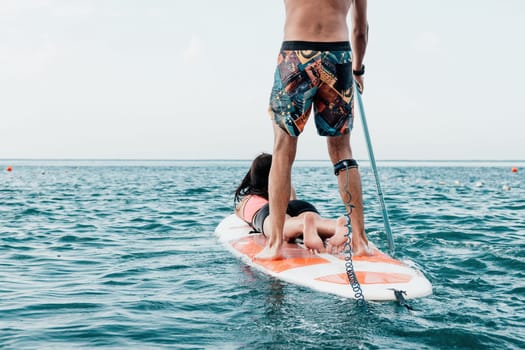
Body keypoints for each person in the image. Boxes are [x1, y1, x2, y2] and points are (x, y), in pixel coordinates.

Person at [255, 0, 372, 260]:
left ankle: (274, 244)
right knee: (342, 150)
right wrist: (358, 70)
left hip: (295, 56)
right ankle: (360, 241)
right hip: (338, 56)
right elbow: (360, 30)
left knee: (283, 150)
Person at [234, 153, 348, 254]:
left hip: (267, 211)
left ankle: (303, 225)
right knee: (318, 222)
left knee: (282, 227)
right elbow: (291, 201)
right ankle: (336, 226)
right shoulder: (286, 188)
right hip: (299, 205)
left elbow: (238, 212)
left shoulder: (248, 199)